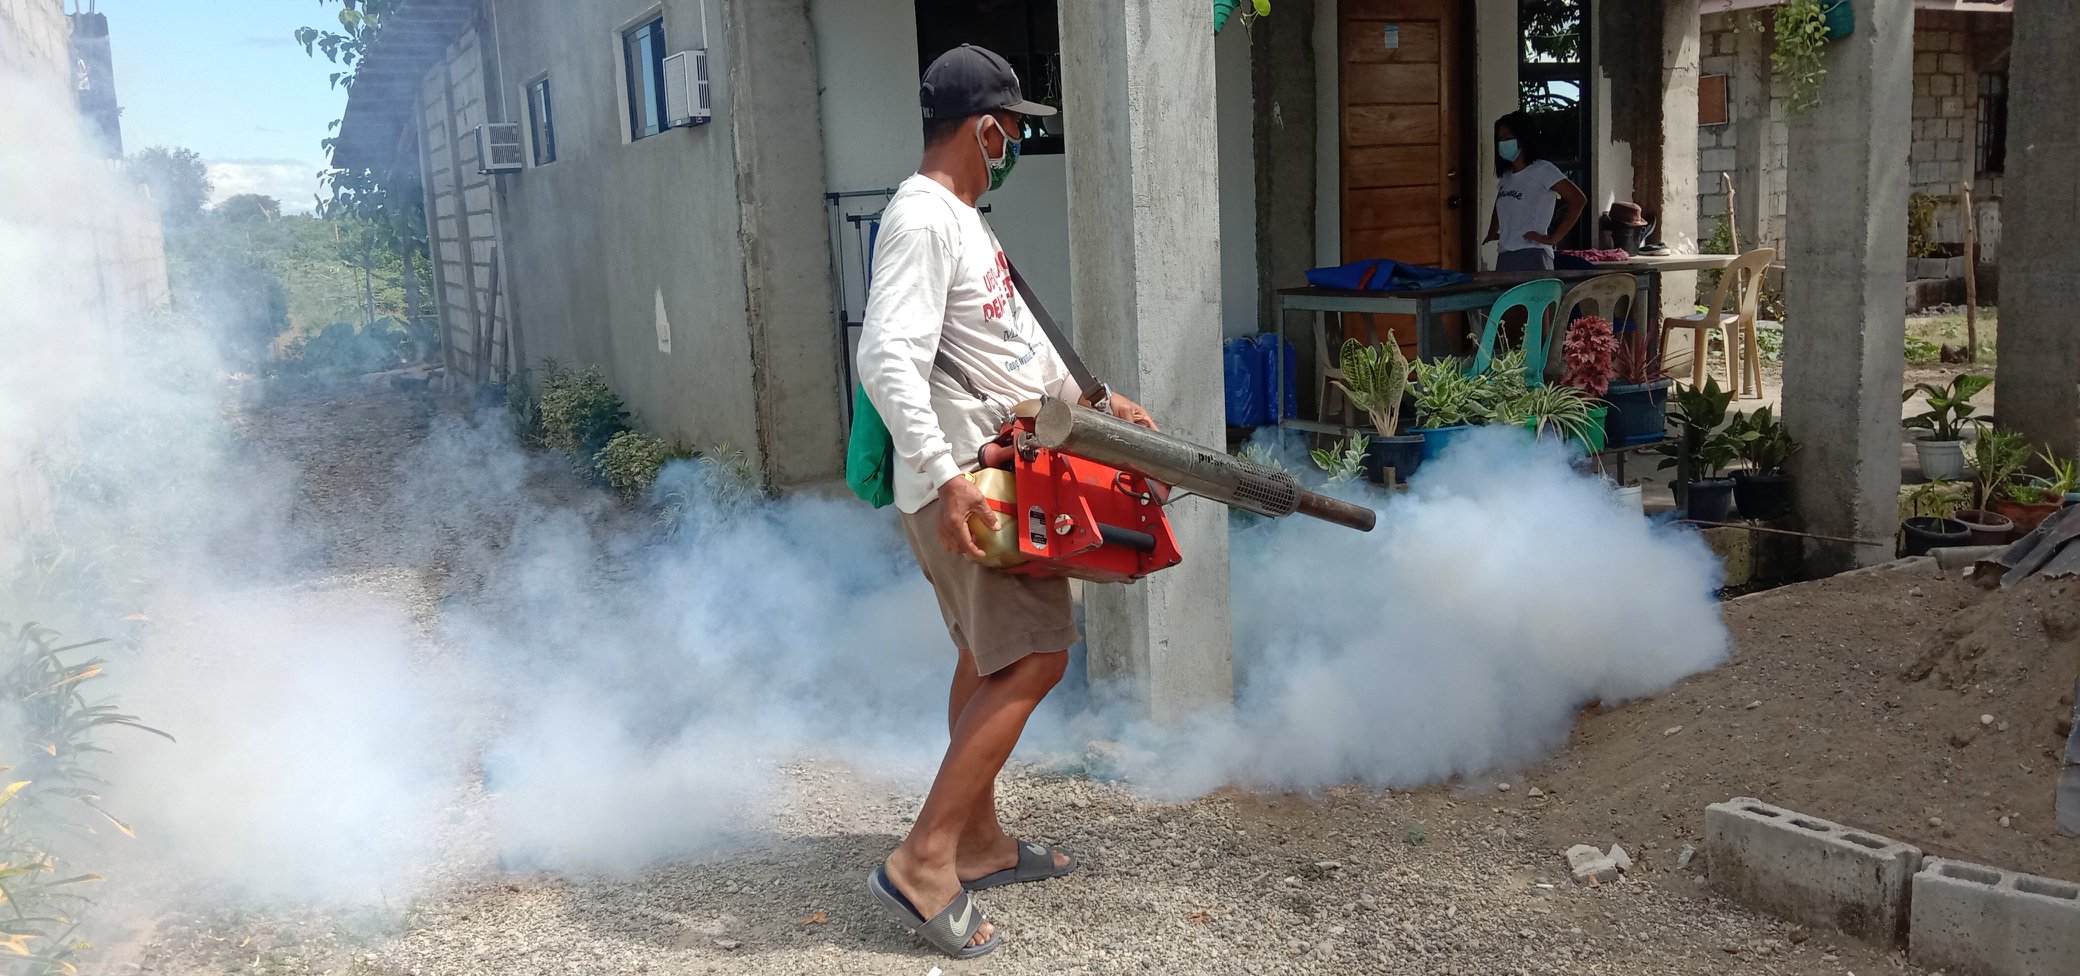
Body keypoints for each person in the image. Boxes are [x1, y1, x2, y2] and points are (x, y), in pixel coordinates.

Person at [854, 44, 1156, 960]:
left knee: (989, 659)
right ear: (985, 128)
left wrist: (1096, 403)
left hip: (990, 471)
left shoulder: (961, 218)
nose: (1018, 142)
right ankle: (926, 857)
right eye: (1015, 127)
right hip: (975, 483)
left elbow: (1006, 343)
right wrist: (946, 477)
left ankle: (977, 842)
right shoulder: (923, 220)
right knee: (1033, 661)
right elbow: (885, 357)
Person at [1483, 111, 1589, 272]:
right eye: (1500, 140)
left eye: (1508, 138)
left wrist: (1554, 237)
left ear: (1523, 138)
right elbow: (1501, 203)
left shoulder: (1543, 170)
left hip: (1533, 255)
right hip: (1505, 254)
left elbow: (1578, 199)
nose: (1503, 143)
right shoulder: (1507, 176)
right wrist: (1493, 231)